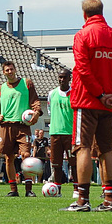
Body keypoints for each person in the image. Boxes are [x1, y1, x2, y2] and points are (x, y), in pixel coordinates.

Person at [60, 0, 112, 212]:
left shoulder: (82, 35)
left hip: (87, 101)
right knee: (107, 150)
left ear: (84, 14)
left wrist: (99, 94)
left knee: (83, 148)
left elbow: (82, 69)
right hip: (109, 104)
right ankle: (109, 201)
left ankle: (82, 200)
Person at [0, 61, 42, 197]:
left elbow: (35, 101)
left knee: (26, 156)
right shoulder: (1, 88)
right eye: (7, 70)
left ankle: (28, 189)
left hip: (22, 126)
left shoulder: (26, 83)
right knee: (9, 158)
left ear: (15, 70)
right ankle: (13, 189)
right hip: (6, 126)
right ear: (3, 72)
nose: (10, 72)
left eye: (11, 69)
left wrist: (36, 112)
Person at [47, 69, 76, 197]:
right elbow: (49, 111)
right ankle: (57, 189)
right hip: (55, 133)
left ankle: (76, 189)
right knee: (56, 164)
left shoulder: (74, 93)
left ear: (69, 78)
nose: (62, 80)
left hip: (70, 134)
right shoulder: (52, 93)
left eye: (64, 77)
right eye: (60, 77)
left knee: (73, 163)